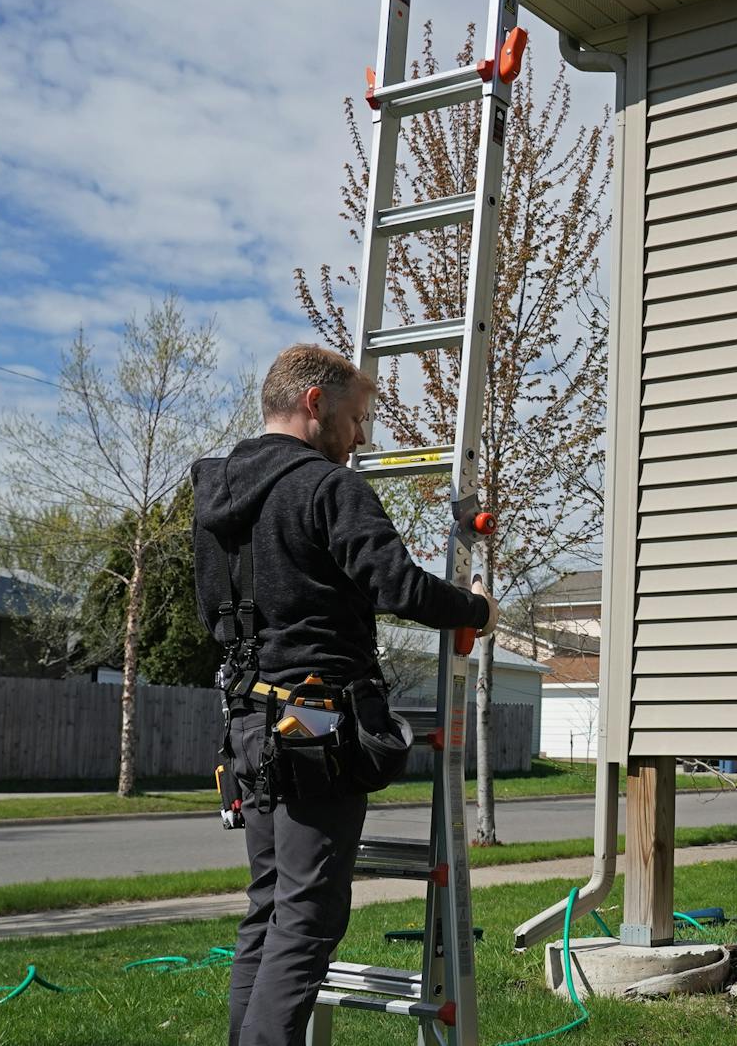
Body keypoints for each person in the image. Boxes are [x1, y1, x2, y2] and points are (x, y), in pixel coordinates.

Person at [192, 343, 497, 1046]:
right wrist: (476, 609)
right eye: (357, 419)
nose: (361, 438)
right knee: (306, 918)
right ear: (313, 403)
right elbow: (400, 586)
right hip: (312, 724)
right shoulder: (328, 487)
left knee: (271, 907)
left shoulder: (215, 493)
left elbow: (216, 611)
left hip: (246, 717)